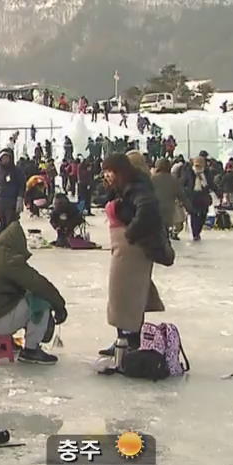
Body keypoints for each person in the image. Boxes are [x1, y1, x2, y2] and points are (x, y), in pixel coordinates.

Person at [0, 221, 67, 365]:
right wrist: (59, 305)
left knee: (10, 296)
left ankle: (7, 342)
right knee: (39, 300)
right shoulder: (8, 258)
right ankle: (31, 350)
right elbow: (38, 284)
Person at [99, 153, 169, 357]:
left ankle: (129, 341)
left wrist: (131, 233)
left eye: (109, 171)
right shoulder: (126, 187)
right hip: (124, 248)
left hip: (131, 249)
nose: (106, 175)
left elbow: (147, 210)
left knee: (125, 296)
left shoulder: (137, 186)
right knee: (125, 296)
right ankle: (126, 339)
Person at [150, 159, 189, 241]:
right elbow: (181, 195)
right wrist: (189, 208)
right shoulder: (173, 180)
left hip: (154, 209)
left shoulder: (152, 179)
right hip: (168, 210)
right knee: (165, 230)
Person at [0, 148, 24, 233]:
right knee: (3, 224)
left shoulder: (16, 170)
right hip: (1, 202)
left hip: (12, 202)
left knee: (11, 224)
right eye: (3, 158)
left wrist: (20, 198)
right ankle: (4, 242)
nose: (5, 160)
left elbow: (22, 185)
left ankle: (12, 241)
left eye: (7, 158)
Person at [186, 156, 214, 241]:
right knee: (193, 215)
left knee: (203, 215)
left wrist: (218, 192)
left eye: (200, 165)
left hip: (203, 196)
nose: (198, 167)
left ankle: (198, 231)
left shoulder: (207, 173)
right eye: (196, 165)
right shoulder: (189, 172)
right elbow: (183, 182)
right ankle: (195, 233)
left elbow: (211, 184)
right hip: (193, 196)